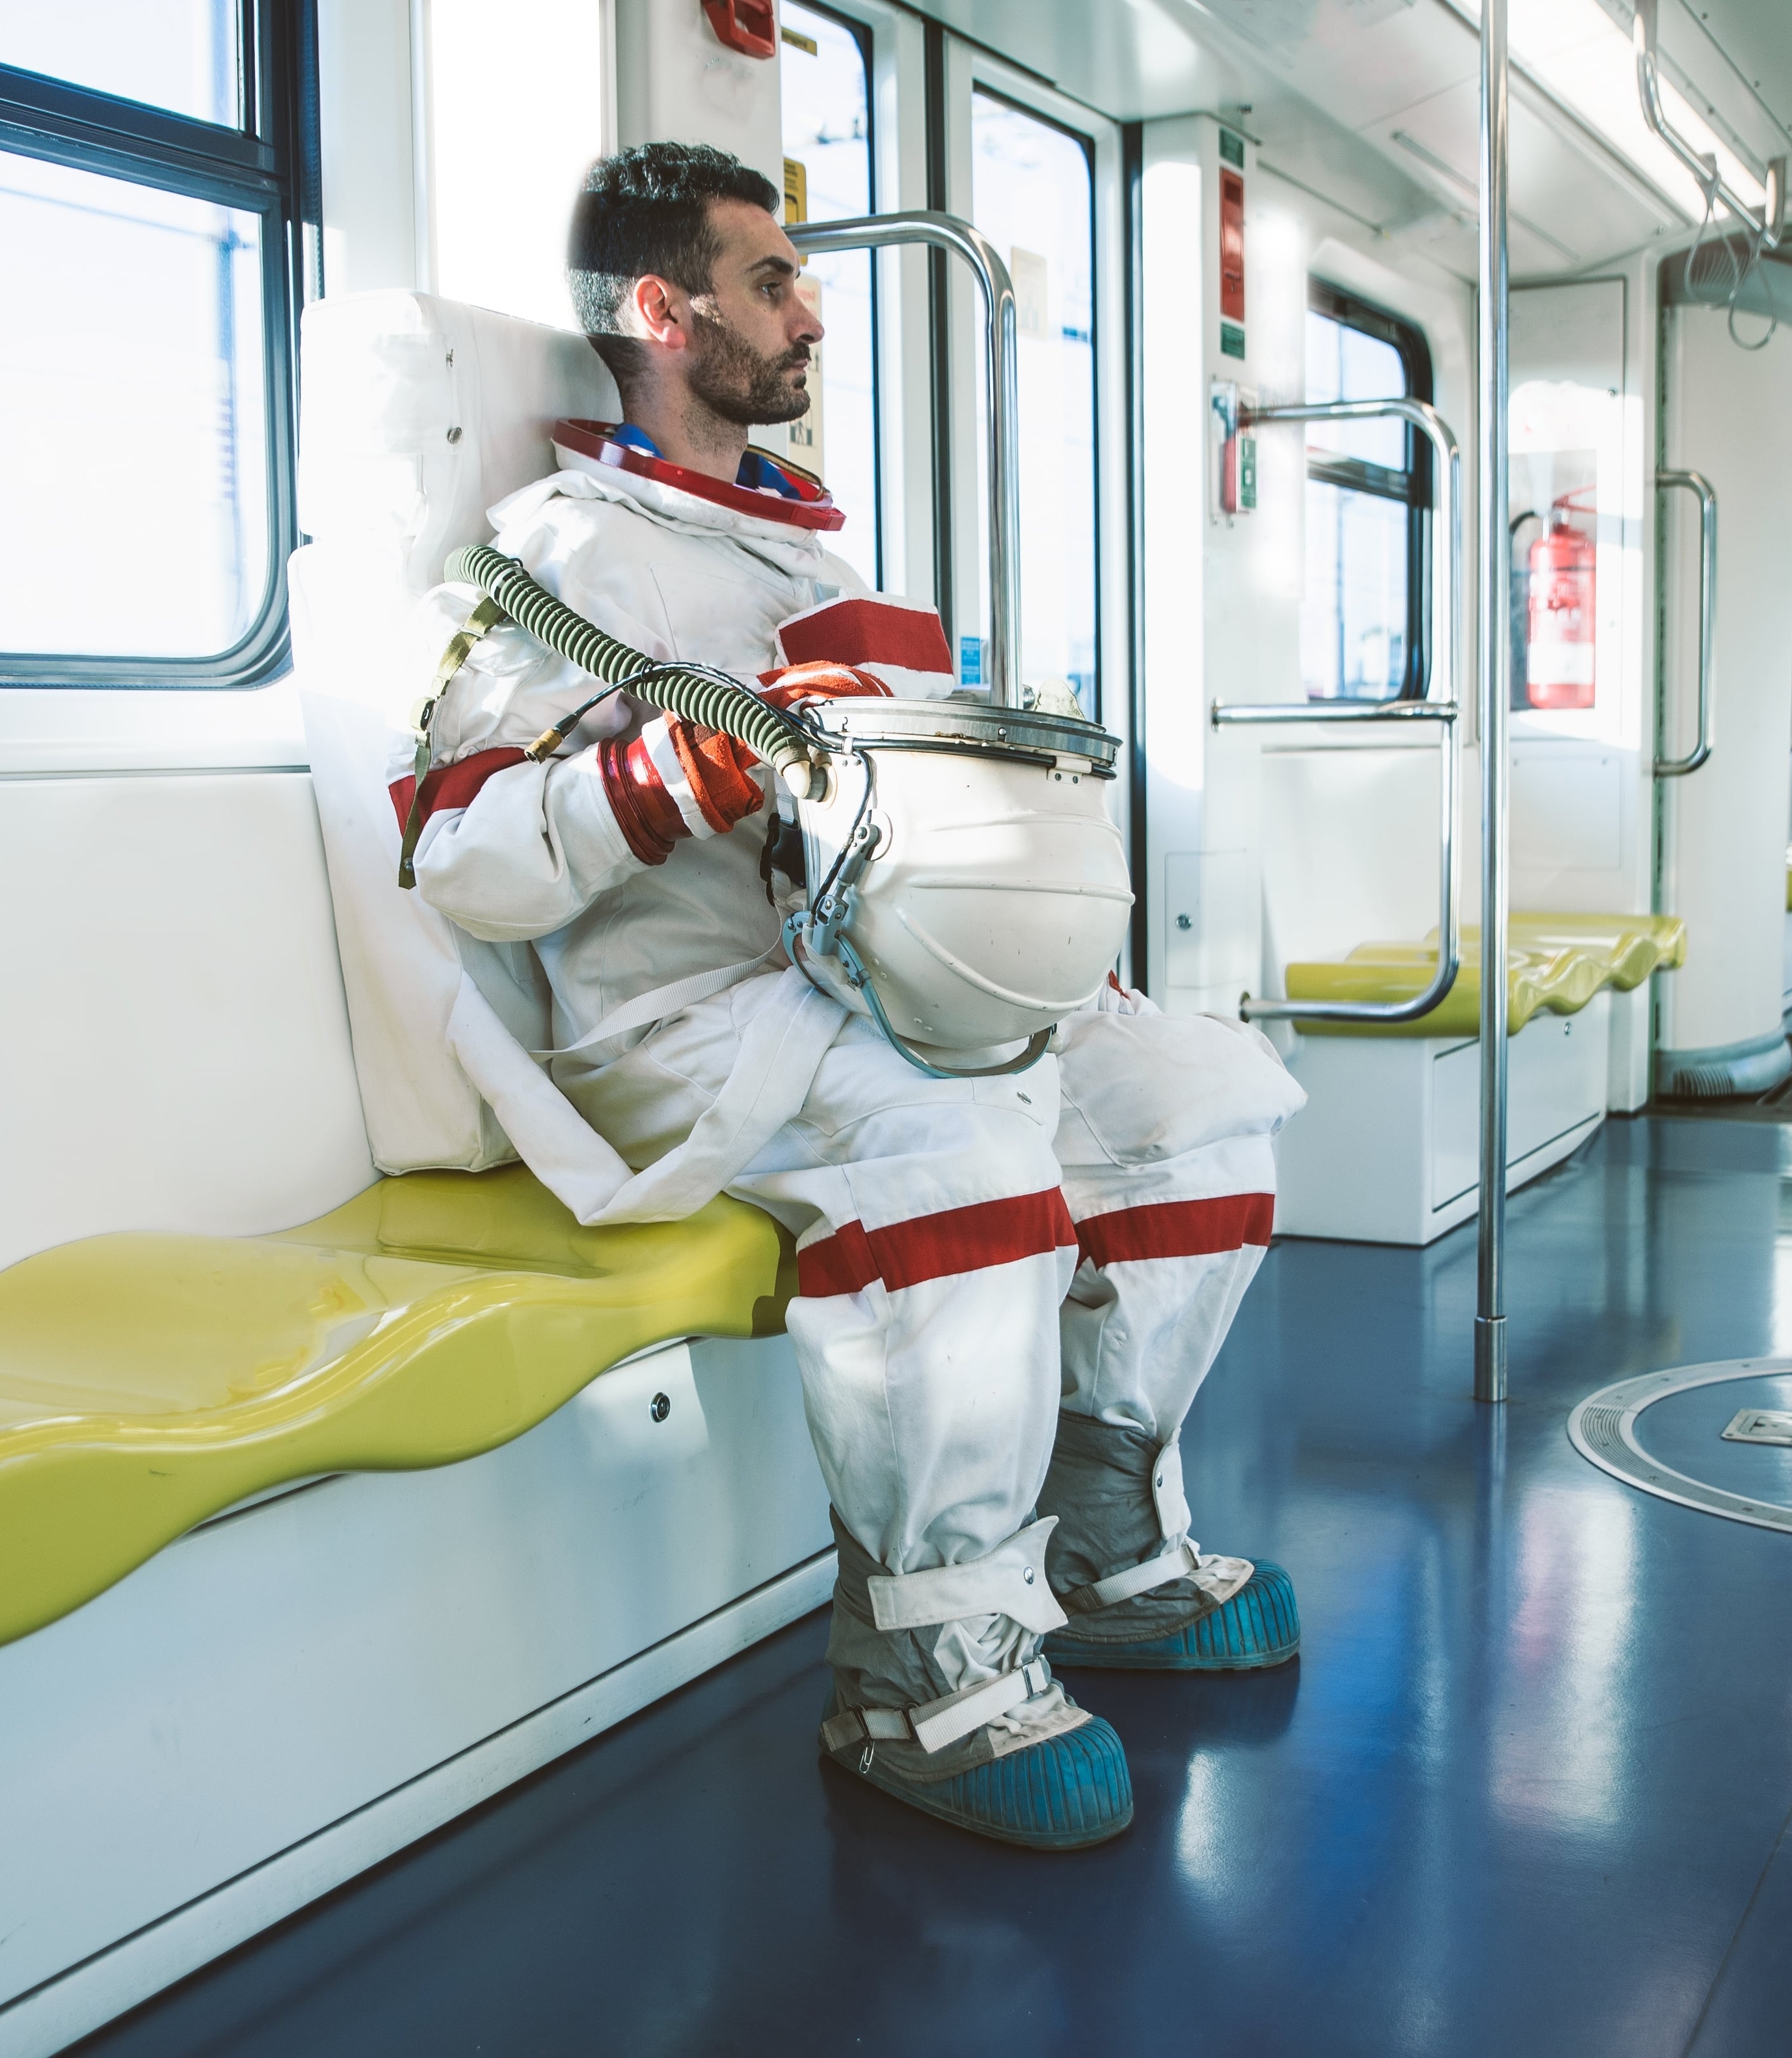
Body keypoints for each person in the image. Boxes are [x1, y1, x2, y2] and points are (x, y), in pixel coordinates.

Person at [404, 144, 1304, 1852]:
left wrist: (1033, 953)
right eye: (770, 279)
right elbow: (460, 859)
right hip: (682, 1029)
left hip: (862, 983)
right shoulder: (567, 558)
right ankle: (918, 1663)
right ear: (663, 314)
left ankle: (1100, 1539)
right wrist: (693, 759)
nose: (810, 308)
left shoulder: (811, 550)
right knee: (952, 1135)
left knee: (1191, 1088)